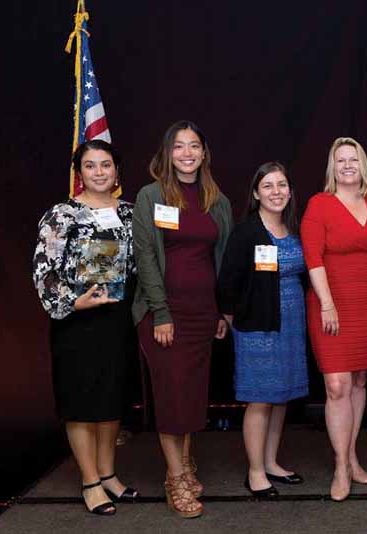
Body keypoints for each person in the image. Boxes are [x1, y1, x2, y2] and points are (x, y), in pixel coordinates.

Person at [132, 120, 233, 518]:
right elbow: (146, 258)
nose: (187, 153)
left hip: (202, 314)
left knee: (192, 394)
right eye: (179, 146)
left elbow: (222, 261)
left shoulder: (216, 200)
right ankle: (175, 477)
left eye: (194, 146)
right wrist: (161, 312)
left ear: (204, 153)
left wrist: (223, 310)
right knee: (172, 395)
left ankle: (187, 464)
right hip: (164, 313)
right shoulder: (151, 196)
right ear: (167, 153)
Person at [33, 140, 138, 515]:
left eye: (106, 165)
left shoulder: (130, 213)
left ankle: (109, 474)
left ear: (116, 170)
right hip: (77, 321)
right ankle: (90, 481)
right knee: (81, 402)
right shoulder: (61, 215)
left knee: (111, 400)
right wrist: (72, 302)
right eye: (90, 166)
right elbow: (44, 271)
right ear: (80, 172)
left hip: (116, 320)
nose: (99, 173)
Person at [301, 137, 367, 501]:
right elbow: (313, 257)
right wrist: (326, 303)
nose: (348, 165)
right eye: (341, 160)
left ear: (363, 164)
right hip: (330, 303)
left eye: (354, 159)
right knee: (336, 385)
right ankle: (340, 466)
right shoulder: (319, 204)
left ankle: (352, 456)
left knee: (357, 382)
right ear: (332, 167)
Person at [217, 162, 309, 498]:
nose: (276, 192)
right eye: (268, 186)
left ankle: (271, 462)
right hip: (257, 325)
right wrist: (229, 320)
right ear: (256, 193)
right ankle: (255, 471)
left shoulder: (296, 227)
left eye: (282, 185)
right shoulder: (247, 232)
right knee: (260, 399)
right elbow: (227, 281)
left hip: (292, 322)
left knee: (281, 397)